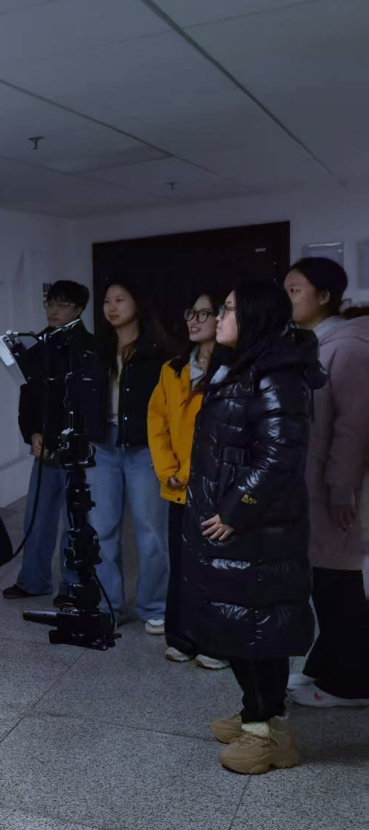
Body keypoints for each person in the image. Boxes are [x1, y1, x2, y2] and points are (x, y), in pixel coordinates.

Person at [188, 283, 323, 774]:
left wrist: (235, 511)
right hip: (234, 524)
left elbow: (279, 458)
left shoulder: (276, 376)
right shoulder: (243, 365)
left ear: (255, 316)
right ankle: (257, 712)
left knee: (257, 629)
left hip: (255, 527)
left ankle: (267, 734)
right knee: (241, 626)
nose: (218, 317)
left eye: (227, 309)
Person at [284, 259, 369, 708]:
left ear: (324, 296)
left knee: (339, 582)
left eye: (295, 290)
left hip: (336, 488)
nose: (287, 299)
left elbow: (352, 430)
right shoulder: (314, 344)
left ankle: (352, 684)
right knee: (325, 577)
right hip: (313, 482)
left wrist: (340, 490)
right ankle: (325, 665)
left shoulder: (348, 347)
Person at [147, 291, 228, 668]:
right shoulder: (173, 368)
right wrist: (168, 471)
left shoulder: (236, 367)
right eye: (190, 313)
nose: (193, 320)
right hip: (178, 487)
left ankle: (218, 643)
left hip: (218, 489)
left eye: (203, 313)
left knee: (217, 567)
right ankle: (181, 637)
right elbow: (157, 423)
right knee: (182, 565)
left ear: (223, 316)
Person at [86, 281, 170, 631]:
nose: (111, 307)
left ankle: (155, 605)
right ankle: (110, 605)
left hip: (143, 446)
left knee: (151, 531)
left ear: (138, 303)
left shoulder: (158, 351)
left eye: (120, 300)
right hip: (102, 445)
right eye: (107, 301)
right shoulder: (97, 349)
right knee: (101, 529)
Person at [4, 280, 93, 599]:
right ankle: (33, 582)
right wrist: (31, 432)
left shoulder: (88, 347)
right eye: (50, 303)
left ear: (78, 309)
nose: (53, 310)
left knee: (75, 520)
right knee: (37, 518)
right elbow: (27, 394)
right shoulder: (39, 345)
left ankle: (72, 585)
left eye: (62, 304)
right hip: (44, 445)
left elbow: (87, 401)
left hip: (78, 447)